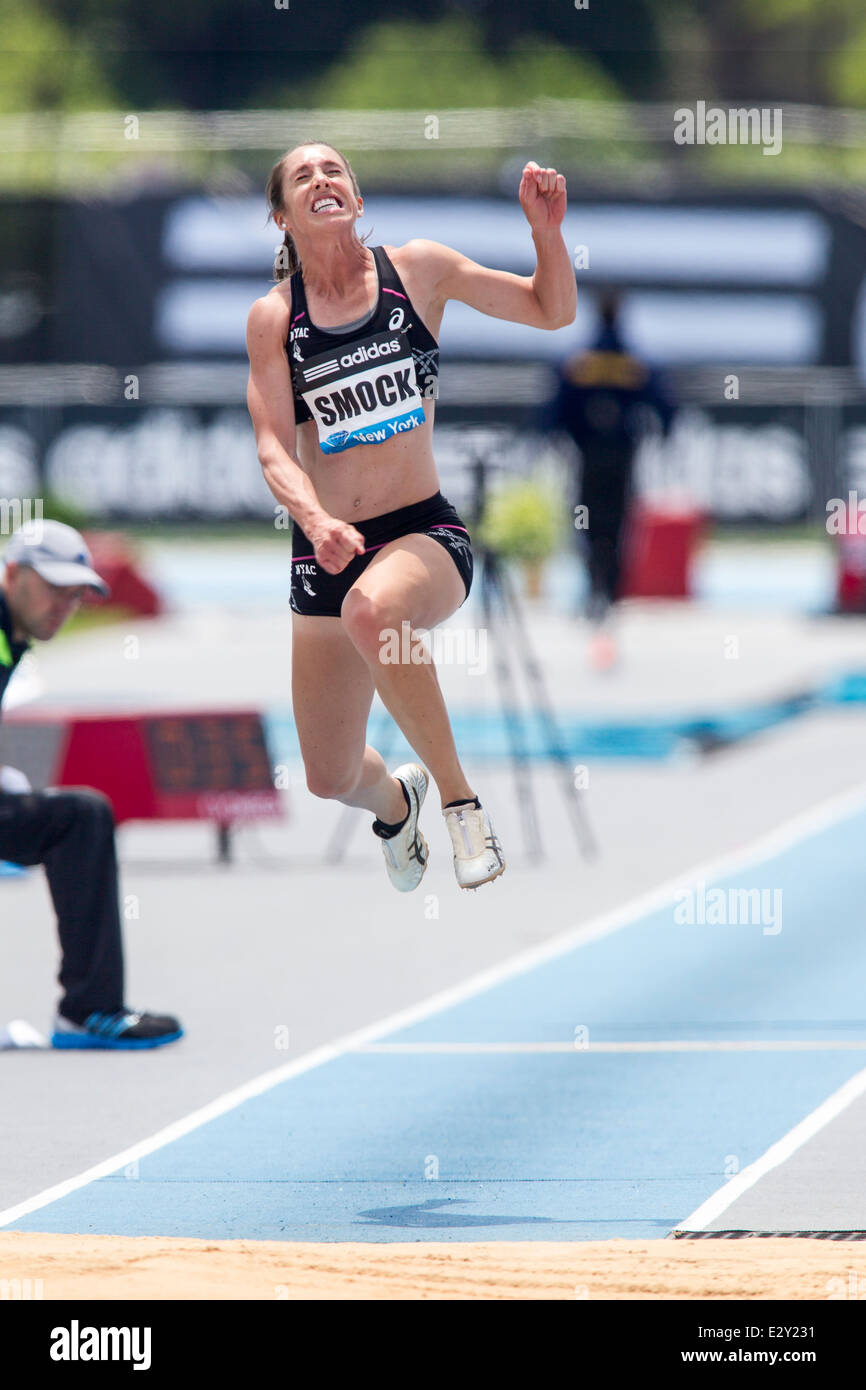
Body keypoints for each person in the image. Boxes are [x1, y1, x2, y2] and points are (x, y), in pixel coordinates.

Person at [246, 142, 575, 890]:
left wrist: (546, 235)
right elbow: (272, 447)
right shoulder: (275, 321)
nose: (323, 180)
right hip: (324, 551)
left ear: (357, 199)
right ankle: (398, 805)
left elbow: (551, 311)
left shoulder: (417, 271)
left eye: (336, 171)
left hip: (422, 534)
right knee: (329, 775)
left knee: (373, 608)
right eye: (304, 176)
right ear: (281, 218)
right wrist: (317, 521)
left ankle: (462, 807)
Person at [0, 520, 183, 1049]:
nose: (64, 604)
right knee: (80, 816)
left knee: (80, 817)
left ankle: (90, 1012)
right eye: (53, 588)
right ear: (13, 573)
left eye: (74, 594)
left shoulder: (14, 637)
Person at [545, 291, 676, 668]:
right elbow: (664, 403)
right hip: (622, 456)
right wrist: (662, 432)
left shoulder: (579, 362)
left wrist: (554, 437)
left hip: (587, 456)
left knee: (586, 520)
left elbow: (555, 407)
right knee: (619, 524)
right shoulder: (634, 362)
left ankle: (596, 586)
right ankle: (612, 589)